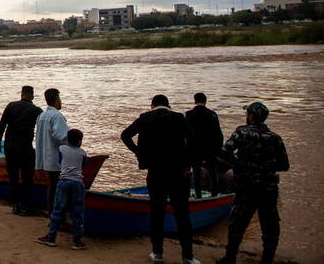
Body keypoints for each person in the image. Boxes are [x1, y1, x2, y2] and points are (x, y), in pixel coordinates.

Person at [121, 95, 198, 264]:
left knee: (157, 213)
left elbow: (125, 135)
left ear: (152, 105)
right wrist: (188, 163)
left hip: (156, 172)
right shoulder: (178, 118)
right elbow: (193, 140)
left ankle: (157, 252)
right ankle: (188, 256)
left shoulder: (145, 118)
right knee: (182, 214)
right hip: (178, 172)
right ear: (168, 105)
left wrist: (138, 151)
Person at [216, 102, 289, 264]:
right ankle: (267, 260)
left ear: (251, 116)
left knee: (237, 224)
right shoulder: (275, 138)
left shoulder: (242, 132)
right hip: (268, 188)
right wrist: (265, 166)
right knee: (270, 226)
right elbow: (284, 165)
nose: (246, 116)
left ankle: (230, 258)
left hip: (246, 187)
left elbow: (223, 153)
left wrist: (239, 165)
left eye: (247, 113)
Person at [36, 128, 88, 250]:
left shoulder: (62, 149)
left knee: (58, 209)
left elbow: (60, 161)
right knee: (77, 212)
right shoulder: (82, 152)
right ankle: (77, 241)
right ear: (80, 141)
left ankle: (51, 237)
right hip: (78, 183)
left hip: (64, 181)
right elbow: (84, 163)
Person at [0, 85, 43, 216]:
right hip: (25, 147)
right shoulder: (36, 110)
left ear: (22, 94)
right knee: (27, 177)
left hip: (10, 146)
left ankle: (15, 206)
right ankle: (26, 206)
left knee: (13, 177)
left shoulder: (11, 105)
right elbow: (43, 129)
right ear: (32, 96)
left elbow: (2, 124)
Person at [35, 88, 68, 215]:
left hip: (46, 158)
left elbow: (39, 139)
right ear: (56, 99)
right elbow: (62, 137)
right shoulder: (56, 116)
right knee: (58, 188)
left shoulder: (42, 116)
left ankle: (51, 213)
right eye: (60, 99)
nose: (61, 102)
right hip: (56, 158)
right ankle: (58, 216)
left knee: (52, 186)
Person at [185, 92, 223, 198]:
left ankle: (198, 196)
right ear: (205, 101)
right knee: (213, 173)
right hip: (209, 149)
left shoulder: (188, 114)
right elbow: (218, 134)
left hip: (194, 149)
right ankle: (214, 195)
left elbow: (185, 134)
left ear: (195, 100)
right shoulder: (212, 114)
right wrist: (218, 149)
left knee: (196, 174)